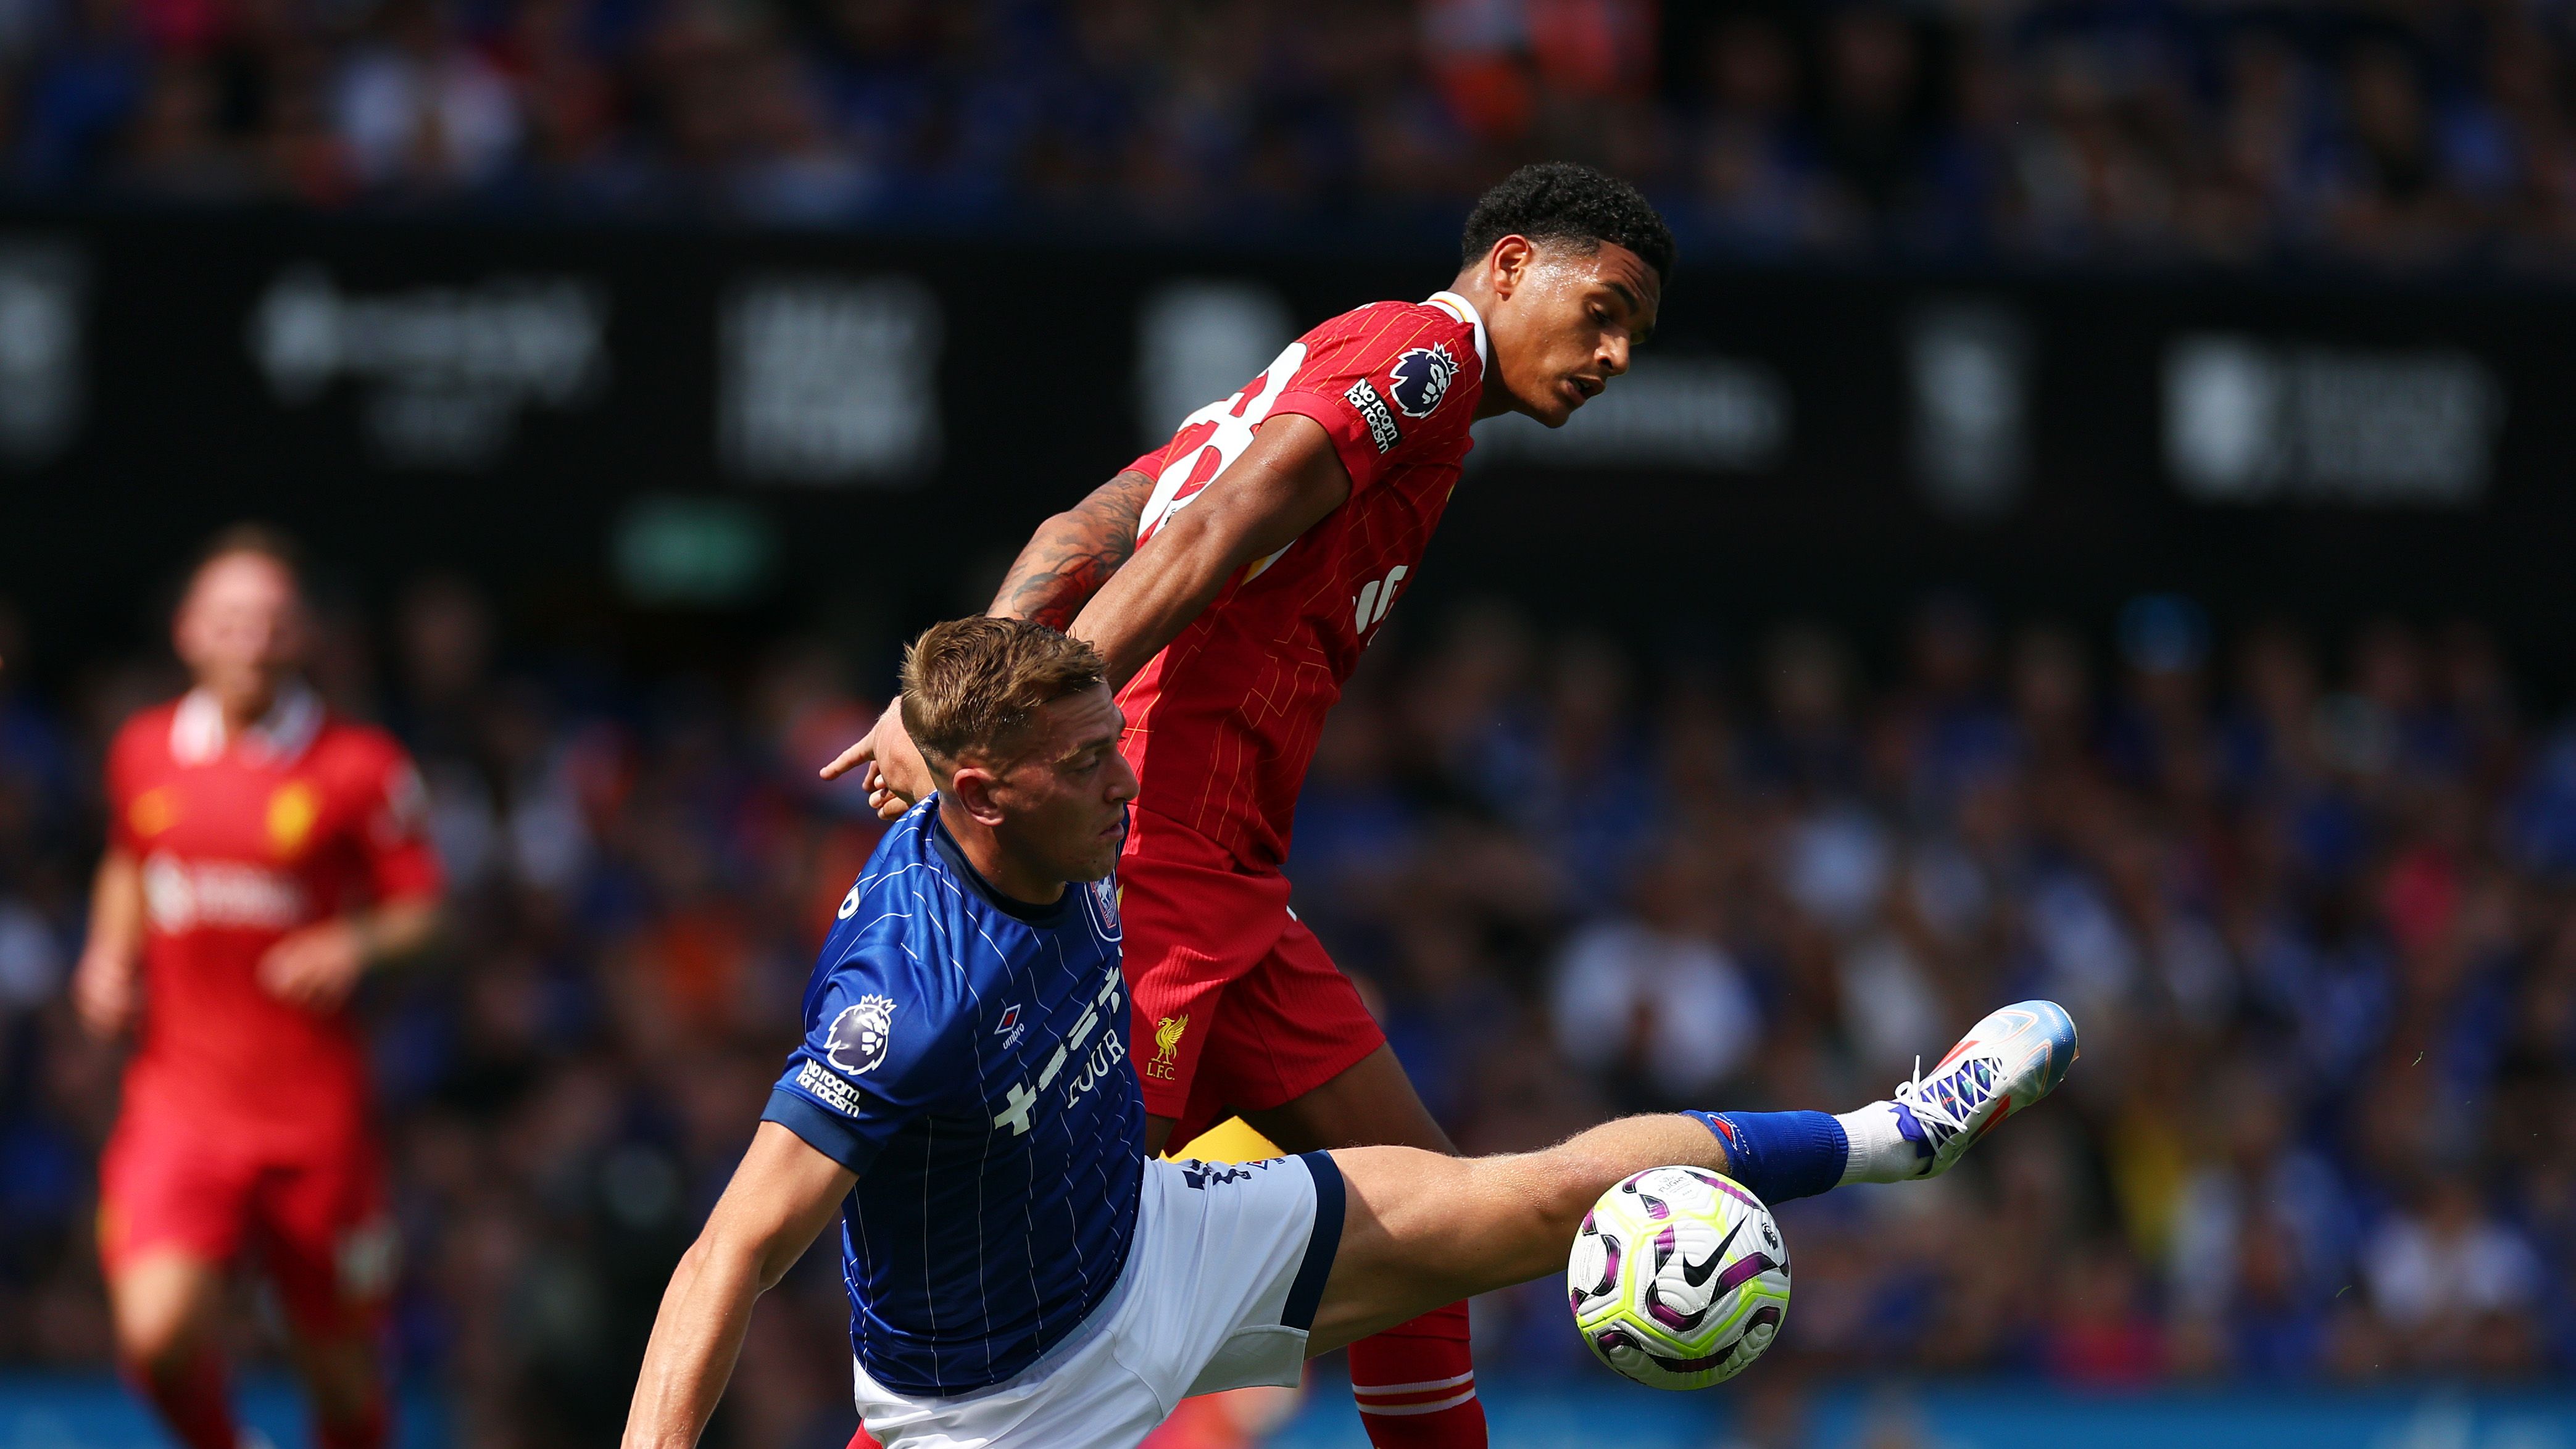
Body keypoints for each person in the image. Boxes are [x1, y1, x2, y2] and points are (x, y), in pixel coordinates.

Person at [628, 617, 2078, 1449]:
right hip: (995, 1416)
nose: (1126, 785)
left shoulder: (1054, 826)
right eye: (1088, 767)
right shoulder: (906, 994)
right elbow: (732, 1252)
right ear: (984, 795)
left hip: (1152, 1246)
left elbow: (1103, 563)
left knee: (1543, 1191)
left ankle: (1897, 1136)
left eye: (1115, 744)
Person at [823, 160, 1676, 1447]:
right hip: (1149, 850)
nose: (1612, 354)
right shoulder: (1423, 365)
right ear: (1507, 267)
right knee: (1057, 1278)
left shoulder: (1349, 363)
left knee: (1431, 1227)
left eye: (1635, 337)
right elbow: (1212, 526)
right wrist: (996, 729)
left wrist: (963, 679)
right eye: (1600, 308)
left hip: (1232, 887)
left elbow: (1095, 519)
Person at [72, 528, 443, 1449]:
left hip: (314, 1124)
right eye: (229, 618)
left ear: (305, 636)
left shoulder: (360, 767)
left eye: (271, 620)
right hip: (180, 1105)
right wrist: (105, 953)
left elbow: (425, 911)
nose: (249, 638)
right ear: (188, 631)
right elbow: (130, 859)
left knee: (344, 1384)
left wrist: (353, 944)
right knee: (156, 1338)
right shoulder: (145, 750)